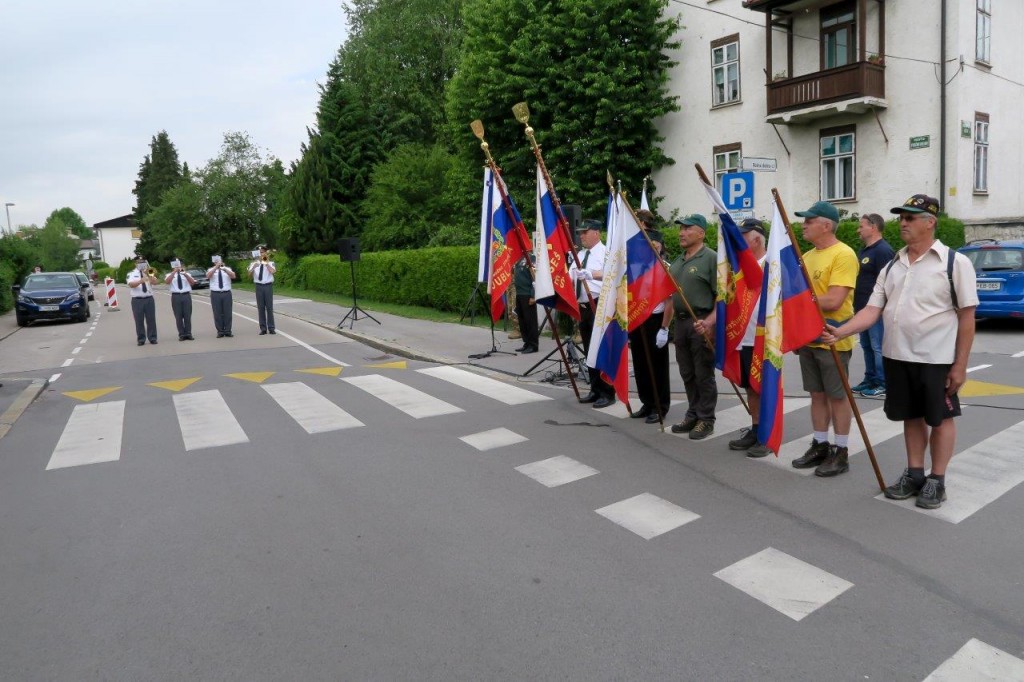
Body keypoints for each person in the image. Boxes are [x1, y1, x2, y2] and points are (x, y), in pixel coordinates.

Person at [821, 194, 978, 509]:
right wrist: (841, 331)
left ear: (930, 222)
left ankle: (937, 479)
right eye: (901, 218)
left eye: (909, 218)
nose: (902, 223)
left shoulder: (953, 263)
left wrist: (960, 366)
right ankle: (915, 473)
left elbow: (967, 317)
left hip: (936, 359)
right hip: (897, 356)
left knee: (941, 419)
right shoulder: (893, 263)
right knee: (911, 417)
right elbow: (872, 309)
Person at [790, 201, 859, 477]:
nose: (803, 225)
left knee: (837, 397)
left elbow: (834, 300)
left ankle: (840, 451)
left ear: (826, 225)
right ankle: (820, 444)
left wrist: (800, 301)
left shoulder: (843, 254)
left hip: (833, 339)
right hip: (808, 337)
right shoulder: (806, 256)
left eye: (809, 220)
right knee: (816, 395)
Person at [668, 214, 718, 440]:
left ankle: (706, 419)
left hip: (701, 322)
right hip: (681, 323)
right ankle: (693, 413)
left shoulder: (711, 259)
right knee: (687, 372)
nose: (682, 233)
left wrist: (711, 322)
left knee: (703, 373)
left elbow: (722, 297)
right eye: (681, 229)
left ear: (701, 233)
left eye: (688, 228)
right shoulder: (678, 262)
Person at [727, 218, 771, 457]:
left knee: (765, 388)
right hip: (744, 337)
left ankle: (767, 434)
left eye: (743, 236)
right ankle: (755, 428)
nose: (738, 240)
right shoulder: (740, 267)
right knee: (751, 388)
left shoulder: (773, 265)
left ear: (756, 239)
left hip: (765, 339)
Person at [630, 214, 672, 424]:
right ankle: (646, 402)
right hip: (637, 319)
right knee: (640, 364)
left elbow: (670, 302)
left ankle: (659, 405)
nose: (649, 247)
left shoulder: (664, 267)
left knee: (657, 366)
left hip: (655, 320)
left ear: (660, 245)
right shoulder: (635, 267)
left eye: (653, 244)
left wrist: (664, 328)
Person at [570, 219, 614, 408]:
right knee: (589, 350)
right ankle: (595, 389)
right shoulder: (579, 255)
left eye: (585, 232)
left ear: (596, 233)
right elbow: (570, 278)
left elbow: (613, 274)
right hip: (583, 308)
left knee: (602, 349)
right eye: (580, 233)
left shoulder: (606, 253)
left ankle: (607, 392)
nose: (581, 236)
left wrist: (592, 274)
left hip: (599, 305)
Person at [850, 213, 895, 397]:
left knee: (878, 347)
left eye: (861, 226)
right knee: (867, 346)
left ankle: (883, 382)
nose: (858, 230)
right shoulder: (865, 251)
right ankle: (870, 378)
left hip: (876, 311)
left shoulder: (883, 250)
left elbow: (888, 282)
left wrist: (882, 309)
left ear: (873, 227)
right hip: (863, 309)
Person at [127, 256, 159, 345]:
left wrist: (150, 275)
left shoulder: (149, 271)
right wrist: (141, 281)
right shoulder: (131, 273)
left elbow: (155, 283)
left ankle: (152, 338)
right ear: (135, 263)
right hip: (137, 300)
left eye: (142, 262)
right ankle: (141, 339)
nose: (141, 263)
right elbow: (131, 284)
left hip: (149, 298)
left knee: (151, 319)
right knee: (139, 320)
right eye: (139, 262)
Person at [164, 259, 196, 341]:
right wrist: (174, 272)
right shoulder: (169, 274)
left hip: (186, 295)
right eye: (176, 265)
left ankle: (188, 333)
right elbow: (167, 282)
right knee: (178, 316)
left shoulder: (187, 274)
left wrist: (185, 274)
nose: (178, 266)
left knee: (187, 316)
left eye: (179, 265)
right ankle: (181, 334)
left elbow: (192, 282)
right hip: (176, 296)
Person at [248, 245, 276, 335]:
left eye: (262, 252)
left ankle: (271, 328)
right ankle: (263, 328)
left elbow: (273, 272)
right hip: (258, 286)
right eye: (259, 253)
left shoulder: (270, 263)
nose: (261, 254)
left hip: (268, 286)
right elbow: (249, 275)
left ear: (265, 253)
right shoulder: (253, 263)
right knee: (261, 308)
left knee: (269, 307)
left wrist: (266, 263)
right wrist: (254, 267)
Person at [513, 253, 539, 354]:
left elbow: (535, 277)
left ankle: (533, 345)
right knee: (522, 320)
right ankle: (527, 342)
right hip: (519, 293)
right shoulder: (519, 258)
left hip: (528, 294)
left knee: (530, 321)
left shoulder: (531, 258)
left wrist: (533, 295)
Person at [207, 255, 237, 338]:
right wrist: (215, 268)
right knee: (217, 313)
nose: (217, 263)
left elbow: (233, 276)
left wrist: (225, 269)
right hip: (215, 293)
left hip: (226, 293)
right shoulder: (211, 269)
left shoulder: (227, 269)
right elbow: (208, 276)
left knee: (228, 312)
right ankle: (220, 331)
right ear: (214, 262)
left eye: (218, 261)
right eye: (216, 261)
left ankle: (228, 331)